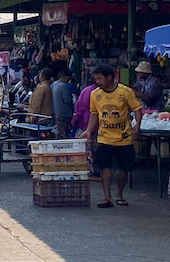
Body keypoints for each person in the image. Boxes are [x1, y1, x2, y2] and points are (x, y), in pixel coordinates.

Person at [81, 63, 142, 208]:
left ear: (109, 77)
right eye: (96, 79)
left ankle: (119, 195)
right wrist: (88, 130)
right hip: (104, 137)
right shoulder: (95, 94)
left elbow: (137, 109)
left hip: (124, 138)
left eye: (100, 79)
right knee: (104, 167)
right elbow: (94, 114)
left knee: (123, 169)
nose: (97, 82)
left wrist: (137, 126)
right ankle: (106, 197)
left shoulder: (125, 92)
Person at [51, 68, 75, 139]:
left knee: (60, 132)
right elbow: (67, 100)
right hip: (65, 114)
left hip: (56, 112)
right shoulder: (64, 86)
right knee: (65, 133)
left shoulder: (53, 84)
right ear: (65, 77)